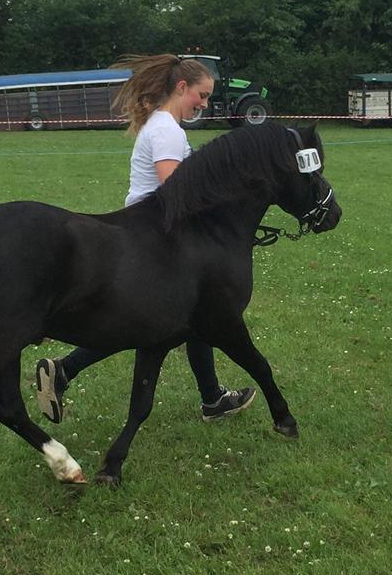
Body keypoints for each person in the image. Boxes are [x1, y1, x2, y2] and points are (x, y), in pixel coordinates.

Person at [34, 52, 256, 425]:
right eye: (200, 95)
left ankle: (212, 397)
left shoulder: (161, 123)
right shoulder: (168, 129)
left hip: (154, 228)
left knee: (197, 315)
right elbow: (174, 188)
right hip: (157, 234)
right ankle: (66, 369)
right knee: (148, 322)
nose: (203, 104)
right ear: (181, 87)